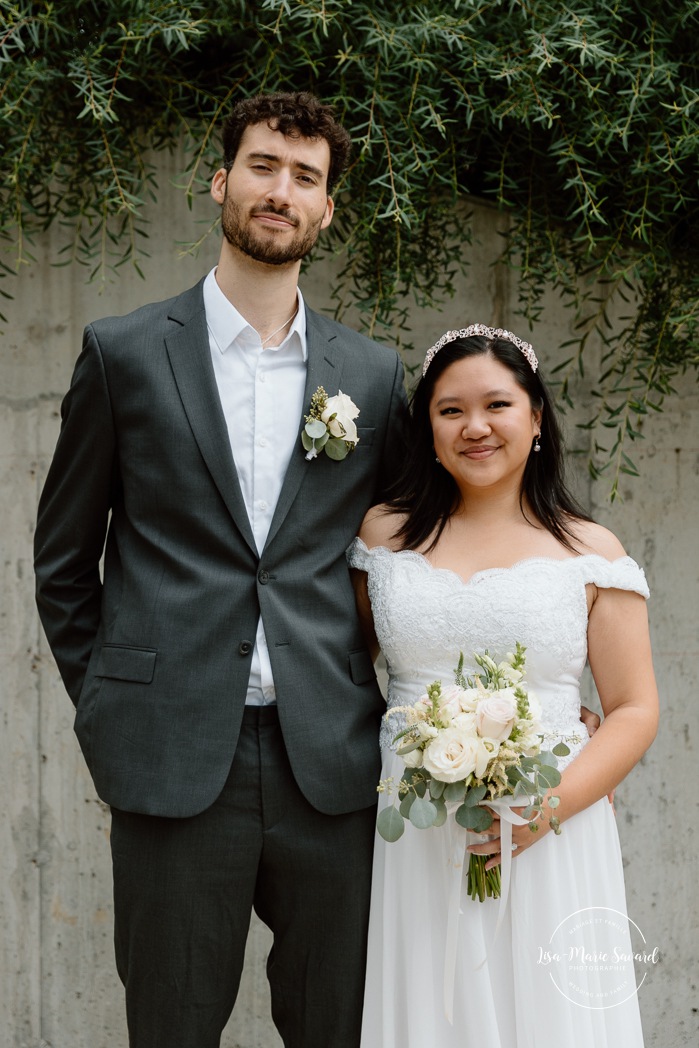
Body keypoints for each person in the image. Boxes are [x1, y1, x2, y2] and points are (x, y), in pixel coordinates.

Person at [33, 91, 407, 1048]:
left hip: (327, 758)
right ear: (220, 182)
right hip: (169, 752)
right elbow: (64, 561)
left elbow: (404, 555)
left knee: (338, 1025)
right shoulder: (122, 355)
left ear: (330, 209)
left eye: (305, 177)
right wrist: (109, 701)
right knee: (171, 1026)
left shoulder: (368, 376)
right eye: (262, 167)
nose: (280, 191)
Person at [349, 325, 659, 1047]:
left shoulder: (589, 550)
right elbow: (339, 672)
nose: (475, 427)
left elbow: (635, 709)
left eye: (497, 405)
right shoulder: (383, 539)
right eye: (449, 410)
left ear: (536, 418)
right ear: (426, 429)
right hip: (415, 824)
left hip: (549, 822)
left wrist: (541, 812)